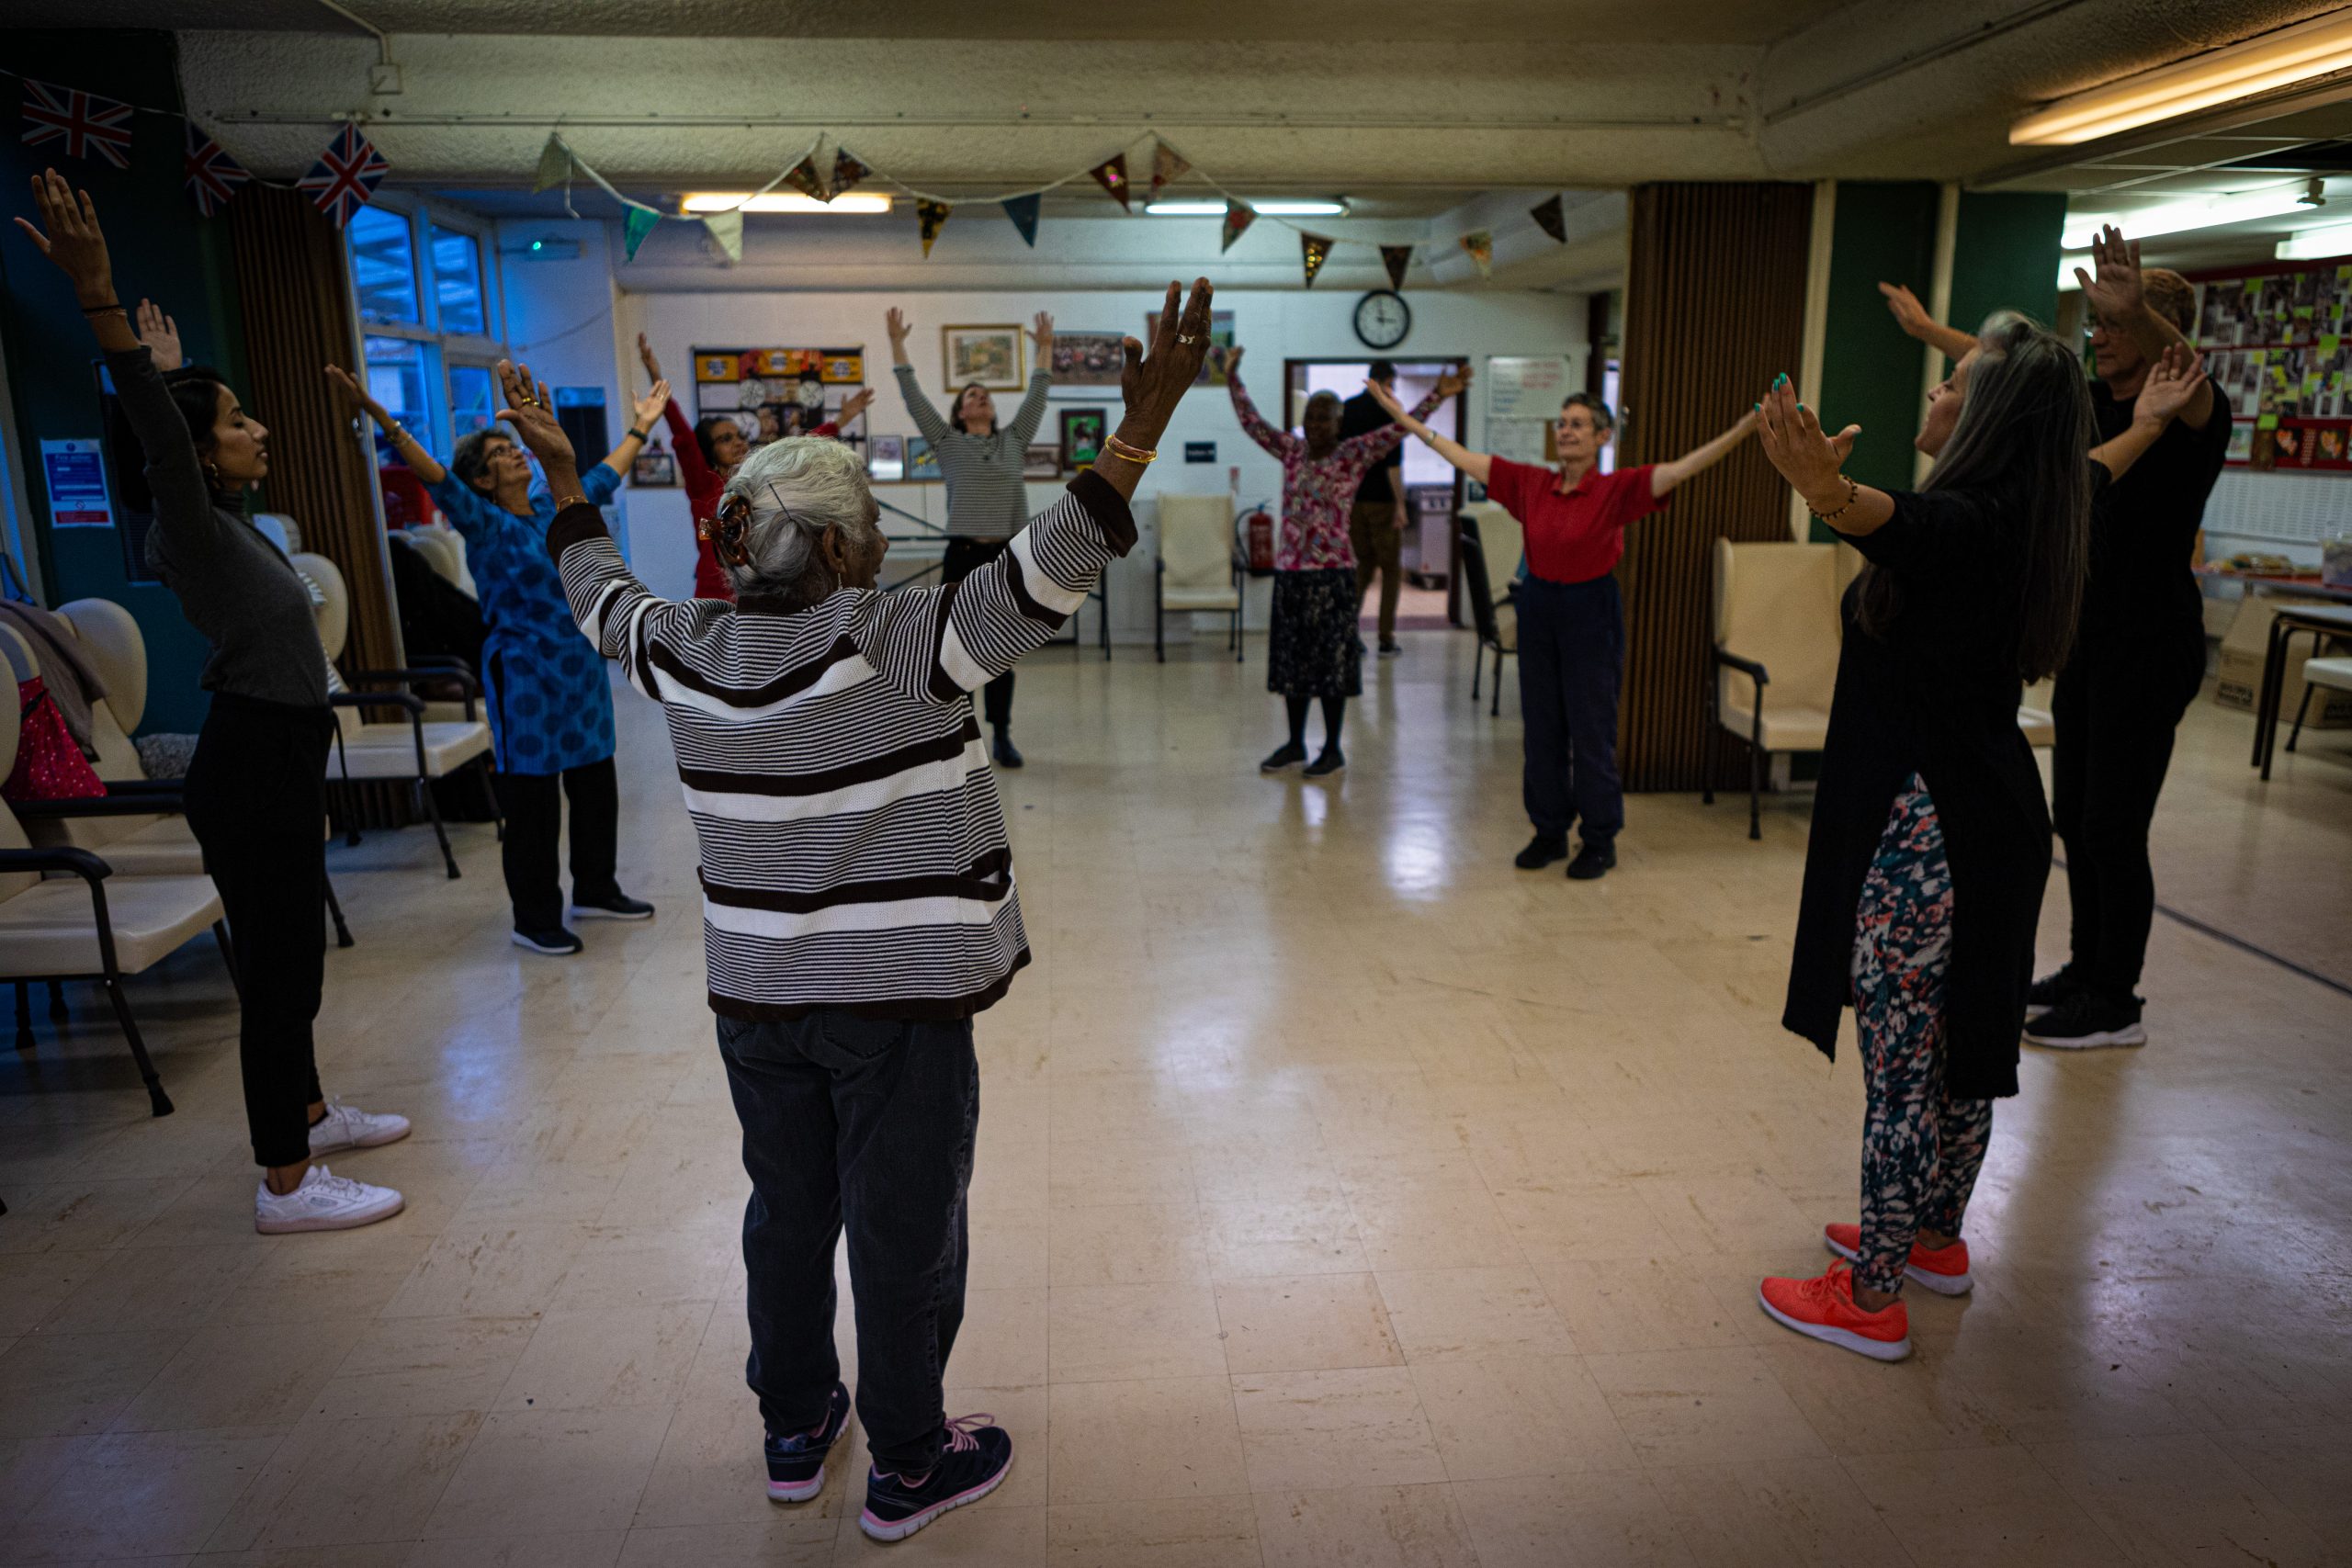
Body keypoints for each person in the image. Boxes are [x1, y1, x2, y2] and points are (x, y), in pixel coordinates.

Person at [514, 279, 1216, 1543]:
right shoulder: (907, 640)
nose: (883, 544)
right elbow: (1059, 560)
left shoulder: (682, 645)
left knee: (787, 1216)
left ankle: (795, 1429)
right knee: (902, 1232)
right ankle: (905, 1459)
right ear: (838, 555)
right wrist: (1138, 422)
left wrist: (567, 477)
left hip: (757, 1008)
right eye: (864, 528)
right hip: (896, 1012)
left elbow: (592, 585)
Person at [1751, 321, 2207, 1360]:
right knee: (1965, 1042)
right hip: (1993, 816)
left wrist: (1819, 487)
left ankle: (1868, 1296)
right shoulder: (2042, 508)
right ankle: (1932, 1240)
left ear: (1988, 416)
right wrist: (2140, 423)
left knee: (1903, 1067)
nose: (1937, 391)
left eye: (1953, 382)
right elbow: (2086, 463)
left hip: (1926, 829)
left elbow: (1888, 523)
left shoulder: (1962, 522)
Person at [17, 169, 410, 1234]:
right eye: (236, 421)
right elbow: (154, 434)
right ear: (196, 458)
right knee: (275, 975)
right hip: (252, 761)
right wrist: (102, 305)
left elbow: (169, 432)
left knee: (294, 963)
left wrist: (182, 378)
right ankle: (285, 1178)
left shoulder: (229, 524)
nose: (260, 429)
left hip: (280, 755)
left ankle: (312, 1114)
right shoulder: (190, 523)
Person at [1886, 236, 2233, 1051]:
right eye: (2101, 324)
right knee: (2077, 816)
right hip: (2092, 639)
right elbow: (2000, 366)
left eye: (2118, 326)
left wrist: (2138, 309)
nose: (2102, 334)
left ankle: (2116, 998)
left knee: (2115, 822)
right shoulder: (2090, 400)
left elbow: (2175, 358)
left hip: (2152, 644)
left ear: (2160, 339)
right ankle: (2084, 971)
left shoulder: (2188, 413)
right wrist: (1934, 331)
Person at [325, 365, 661, 956]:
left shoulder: (546, 505)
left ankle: (596, 887)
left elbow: (601, 479)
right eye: (503, 453)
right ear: (481, 478)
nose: (516, 456)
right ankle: (533, 917)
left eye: (515, 448)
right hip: (524, 674)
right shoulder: (484, 523)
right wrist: (381, 418)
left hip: (579, 672)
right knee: (532, 805)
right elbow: (435, 479)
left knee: (594, 785)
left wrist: (641, 426)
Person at [1367, 381, 1753, 878]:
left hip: (1591, 610)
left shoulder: (1616, 490)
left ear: (1602, 437)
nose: (1566, 432)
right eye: (1562, 424)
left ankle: (1598, 839)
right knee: (1542, 728)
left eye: (1577, 425)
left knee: (1591, 731)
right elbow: (1459, 455)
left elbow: (1682, 469)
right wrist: (1404, 417)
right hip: (1540, 608)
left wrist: (1743, 430)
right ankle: (1549, 831)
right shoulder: (1530, 483)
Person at [1220, 348, 1460, 777]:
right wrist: (1233, 378)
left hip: (1333, 576)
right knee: (1293, 664)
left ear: (1338, 423)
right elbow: (1252, 423)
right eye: (1310, 417)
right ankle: (1295, 744)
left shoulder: (1354, 454)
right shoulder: (1292, 451)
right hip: (1292, 574)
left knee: (1332, 665)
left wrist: (1436, 397)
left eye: (1324, 419)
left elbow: (1399, 431)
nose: (1315, 426)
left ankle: (1332, 748)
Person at [886, 309, 1056, 767]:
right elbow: (911, 394)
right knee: (956, 649)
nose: (980, 398)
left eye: (985, 395)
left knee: (1002, 650)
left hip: (1006, 557)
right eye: (971, 395)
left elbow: (1038, 392)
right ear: (960, 412)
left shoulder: (1013, 441)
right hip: (961, 556)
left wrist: (1045, 344)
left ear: (993, 410)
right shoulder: (946, 442)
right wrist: (898, 343)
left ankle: (1002, 734)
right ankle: (962, 736)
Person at [638, 333, 873, 602]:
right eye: (725, 439)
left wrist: (842, 419)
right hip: (713, 597)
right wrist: (656, 376)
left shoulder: (759, 478)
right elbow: (683, 437)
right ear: (708, 451)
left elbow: (801, 447)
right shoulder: (704, 485)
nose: (738, 442)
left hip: (759, 594)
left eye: (739, 435)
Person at [1340, 359, 1408, 656]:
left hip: (1354, 502)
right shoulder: (1390, 412)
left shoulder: (1348, 409)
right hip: (1382, 501)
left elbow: (1340, 459)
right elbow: (1393, 466)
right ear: (1386, 381)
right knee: (1391, 571)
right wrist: (1401, 505)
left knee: (1361, 568)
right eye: (1392, 384)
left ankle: (1348, 635)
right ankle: (1385, 638)